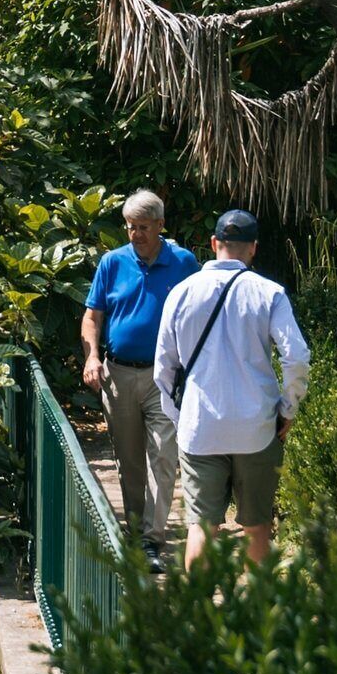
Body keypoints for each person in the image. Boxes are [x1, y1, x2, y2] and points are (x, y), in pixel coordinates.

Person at [152, 208, 311, 568]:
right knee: (257, 527)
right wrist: (288, 408)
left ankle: (200, 615)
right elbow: (297, 357)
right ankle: (256, 617)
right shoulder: (270, 293)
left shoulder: (181, 293)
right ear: (253, 248)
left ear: (213, 244)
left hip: (200, 428)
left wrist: (180, 417)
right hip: (257, 428)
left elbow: (163, 366)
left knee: (201, 529)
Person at [79, 188, 201, 547]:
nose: (136, 234)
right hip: (117, 374)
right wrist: (91, 356)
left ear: (161, 225)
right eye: (131, 227)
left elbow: (197, 315)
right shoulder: (112, 263)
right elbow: (92, 317)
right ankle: (135, 531)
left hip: (164, 376)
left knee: (163, 456)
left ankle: (153, 537)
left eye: (144, 227)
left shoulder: (184, 263)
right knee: (129, 462)